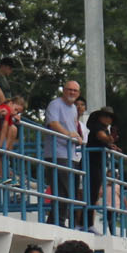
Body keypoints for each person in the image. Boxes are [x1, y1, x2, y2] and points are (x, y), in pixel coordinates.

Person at [45, 80, 83, 227]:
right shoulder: (55, 104)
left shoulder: (74, 108)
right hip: (56, 153)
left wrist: (76, 136)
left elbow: (73, 126)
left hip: (71, 154)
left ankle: (56, 221)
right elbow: (53, 123)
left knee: (67, 191)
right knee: (63, 190)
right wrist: (69, 134)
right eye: (69, 89)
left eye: (75, 91)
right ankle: (58, 222)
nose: (72, 93)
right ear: (64, 90)